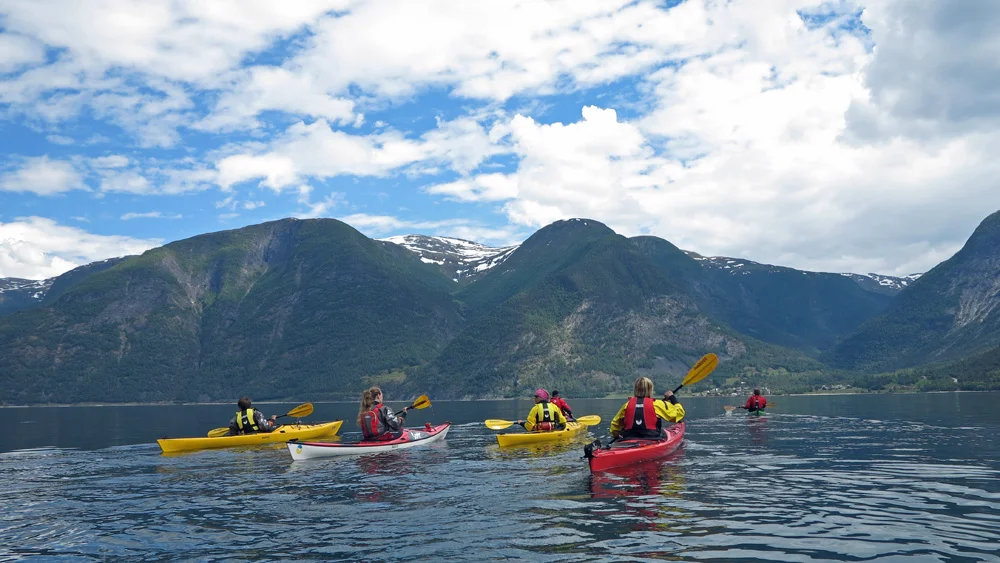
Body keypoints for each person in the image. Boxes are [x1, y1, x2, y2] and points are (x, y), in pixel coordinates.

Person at [610, 377, 685, 440]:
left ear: (635, 389)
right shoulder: (657, 404)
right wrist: (672, 397)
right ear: (650, 390)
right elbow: (679, 413)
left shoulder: (626, 405)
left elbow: (614, 426)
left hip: (629, 438)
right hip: (652, 438)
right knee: (664, 432)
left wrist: (616, 435)